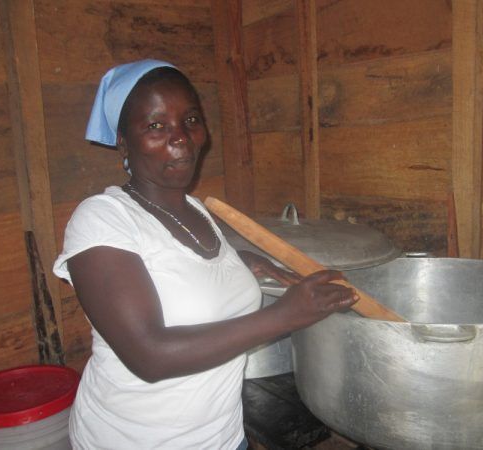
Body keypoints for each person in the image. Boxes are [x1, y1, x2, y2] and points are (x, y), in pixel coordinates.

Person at [53, 59, 358, 450]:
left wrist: (244, 262)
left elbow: (183, 268)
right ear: (124, 143)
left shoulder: (196, 210)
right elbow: (149, 355)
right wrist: (285, 315)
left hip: (224, 438)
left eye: (191, 120)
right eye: (156, 125)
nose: (181, 137)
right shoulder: (102, 219)